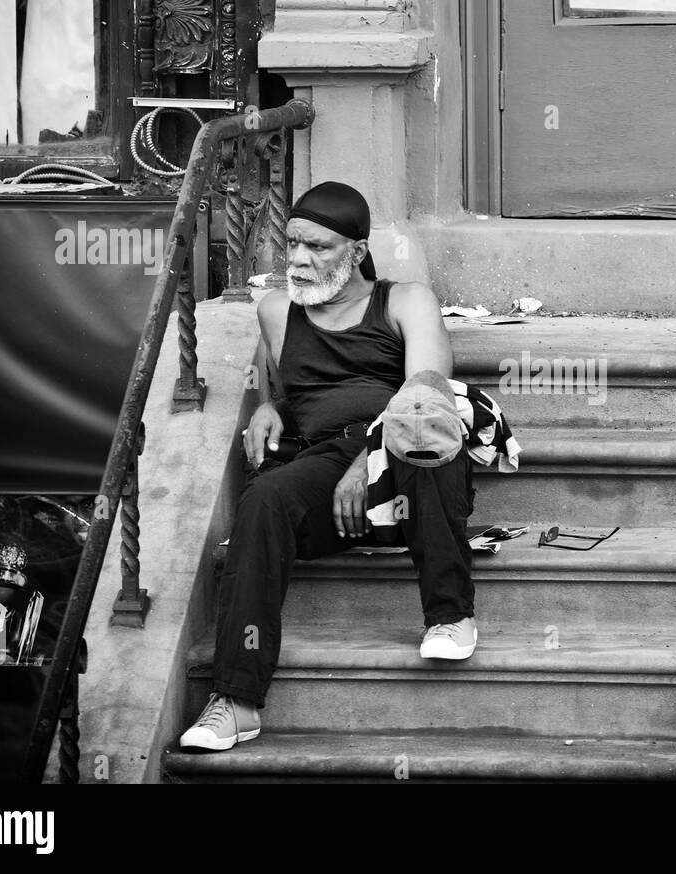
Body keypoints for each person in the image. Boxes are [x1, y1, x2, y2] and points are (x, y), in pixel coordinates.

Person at [180, 182, 478, 752]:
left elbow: (426, 398)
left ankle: (450, 615)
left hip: (404, 465)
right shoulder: (276, 312)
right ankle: (236, 700)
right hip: (326, 469)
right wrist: (273, 407)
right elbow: (310, 393)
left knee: (421, 439)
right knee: (264, 500)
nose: (297, 259)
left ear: (358, 252)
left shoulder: (404, 301)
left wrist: (370, 456)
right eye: (291, 243)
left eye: (317, 247)